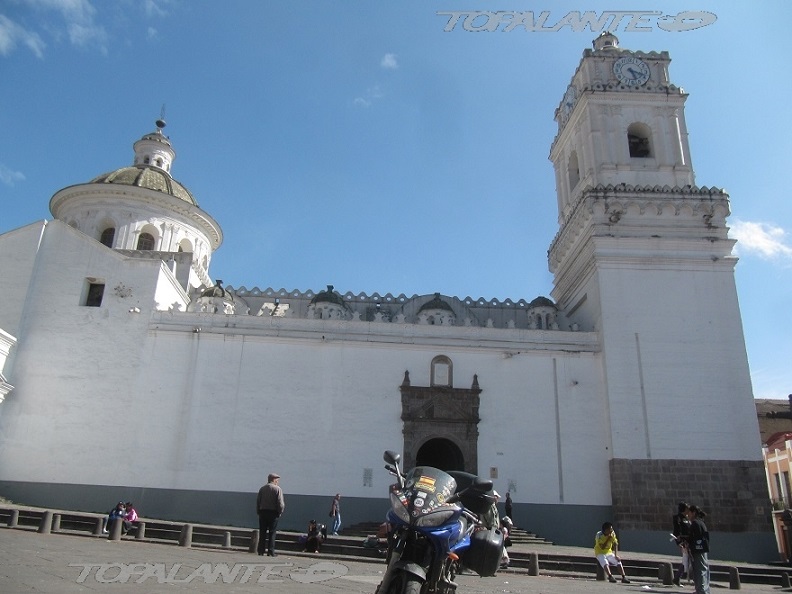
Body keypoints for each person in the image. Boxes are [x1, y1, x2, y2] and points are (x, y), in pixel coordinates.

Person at [683, 505, 710, 594]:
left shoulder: (695, 523)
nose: (688, 515)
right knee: (703, 569)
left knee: (699, 570)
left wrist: (687, 542)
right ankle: (703, 589)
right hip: (702, 549)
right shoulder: (701, 522)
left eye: (689, 513)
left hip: (698, 550)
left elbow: (694, 537)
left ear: (693, 513)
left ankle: (701, 590)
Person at [256, 473, 285, 557]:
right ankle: (271, 551)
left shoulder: (262, 489)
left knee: (262, 532)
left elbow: (258, 501)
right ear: (274, 480)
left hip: (263, 512)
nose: (278, 481)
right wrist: (280, 512)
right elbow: (280, 503)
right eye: (277, 480)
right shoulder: (277, 489)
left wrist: (258, 511)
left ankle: (261, 550)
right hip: (273, 513)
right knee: (272, 532)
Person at [671, 501, 691, 586]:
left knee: (686, 560)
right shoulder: (679, 518)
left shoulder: (686, 518)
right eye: (687, 508)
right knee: (686, 559)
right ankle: (677, 578)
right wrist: (679, 542)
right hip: (683, 542)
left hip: (688, 540)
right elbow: (676, 531)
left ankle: (677, 578)